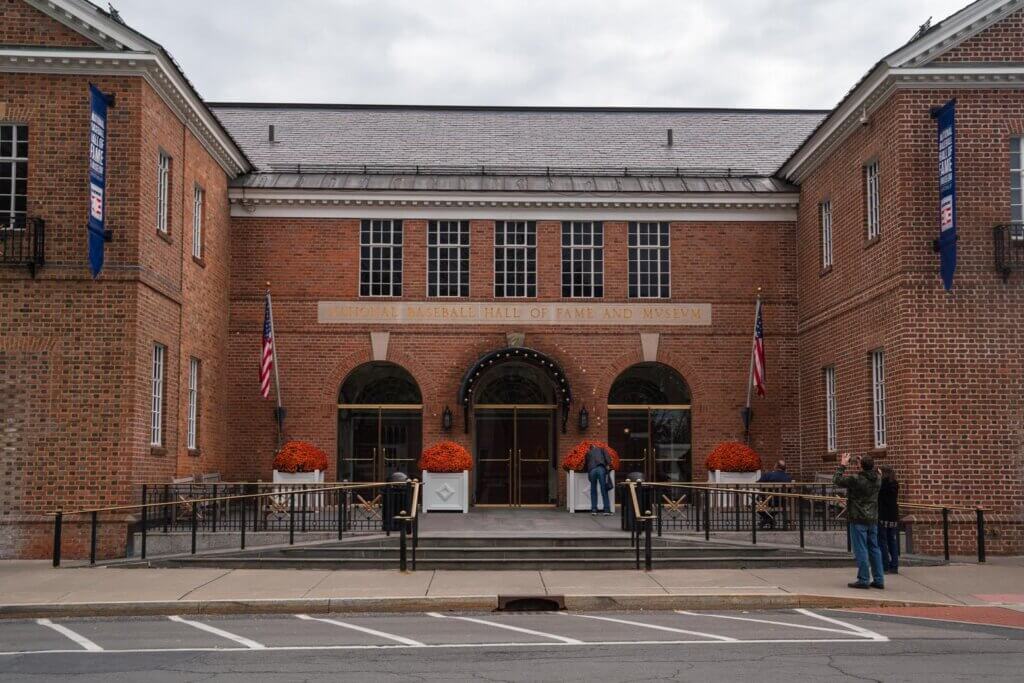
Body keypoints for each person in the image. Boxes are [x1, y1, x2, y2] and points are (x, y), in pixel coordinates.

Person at [834, 453, 884, 590]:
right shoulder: (878, 479)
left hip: (858, 518)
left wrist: (843, 465)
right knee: (874, 548)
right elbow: (874, 472)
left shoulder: (856, 479)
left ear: (861, 466)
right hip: (872, 518)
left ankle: (863, 579)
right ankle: (879, 579)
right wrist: (864, 464)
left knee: (861, 549)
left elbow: (837, 480)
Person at [757, 460, 793, 529]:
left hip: (766, 501)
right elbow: (790, 491)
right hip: (782, 502)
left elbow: (757, 484)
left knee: (753, 504)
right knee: (777, 504)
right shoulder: (789, 478)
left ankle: (767, 519)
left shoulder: (768, 475)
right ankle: (769, 518)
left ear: (776, 466)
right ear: (785, 468)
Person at [878, 466, 900, 574]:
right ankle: (894, 566)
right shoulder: (895, 484)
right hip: (893, 516)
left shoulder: (882, 485)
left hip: (883, 515)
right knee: (893, 541)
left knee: (882, 542)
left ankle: (885, 565)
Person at [585, 443, 613, 515]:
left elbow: (586, 465)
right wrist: (609, 465)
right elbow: (608, 458)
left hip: (592, 470)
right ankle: (606, 510)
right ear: (595, 446)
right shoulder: (602, 449)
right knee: (603, 489)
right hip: (601, 468)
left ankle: (594, 509)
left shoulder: (588, 453)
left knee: (593, 490)